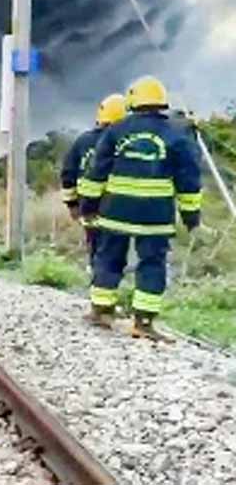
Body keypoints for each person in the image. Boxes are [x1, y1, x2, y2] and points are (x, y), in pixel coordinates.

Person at [78, 76, 202, 340]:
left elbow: (96, 172)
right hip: (155, 217)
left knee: (108, 258)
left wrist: (88, 206)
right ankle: (143, 323)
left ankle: (101, 311)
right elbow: (189, 179)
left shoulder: (116, 130)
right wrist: (191, 216)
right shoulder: (177, 134)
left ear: (133, 100)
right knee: (152, 264)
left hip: (116, 212)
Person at [60, 93, 127, 271]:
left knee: (96, 246)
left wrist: (72, 205)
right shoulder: (128, 142)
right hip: (120, 209)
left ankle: (96, 274)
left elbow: (68, 175)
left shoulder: (83, 142)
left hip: (89, 208)